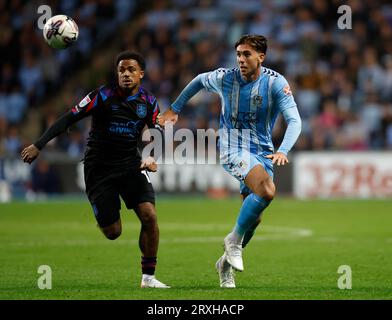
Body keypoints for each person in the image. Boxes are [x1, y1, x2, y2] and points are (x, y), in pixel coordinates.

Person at [158, 35, 301, 288]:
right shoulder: (226, 78)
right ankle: (233, 242)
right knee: (267, 191)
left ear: (261, 57)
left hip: (263, 151)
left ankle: (224, 265)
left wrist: (283, 149)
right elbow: (199, 80)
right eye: (238, 54)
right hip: (232, 147)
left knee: (253, 218)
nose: (241, 59)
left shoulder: (276, 83)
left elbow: (294, 120)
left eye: (247, 54)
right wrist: (175, 108)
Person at [21, 51, 170, 289]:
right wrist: (38, 145)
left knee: (149, 216)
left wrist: (152, 156)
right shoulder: (101, 95)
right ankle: (101, 210)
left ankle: (148, 278)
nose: (126, 74)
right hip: (98, 168)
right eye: (121, 70)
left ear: (141, 74)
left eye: (131, 70)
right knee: (113, 232)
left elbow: (158, 131)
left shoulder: (149, 101)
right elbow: (68, 118)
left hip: (131, 164)